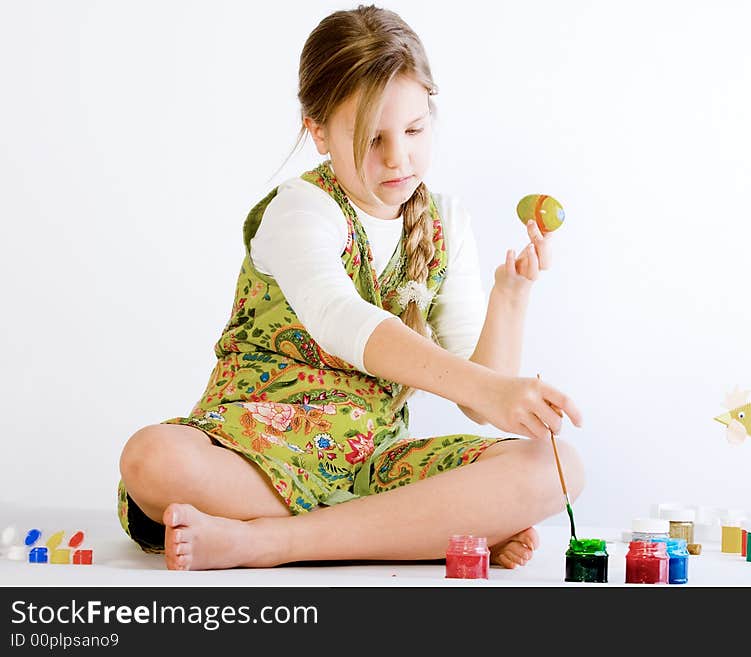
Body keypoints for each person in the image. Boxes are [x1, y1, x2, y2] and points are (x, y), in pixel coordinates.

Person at [117, 3, 584, 572]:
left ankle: (265, 542)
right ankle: (414, 528)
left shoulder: (445, 222)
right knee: (153, 459)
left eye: (413, 130)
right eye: (371, 138)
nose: (398, 157)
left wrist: (511, 296)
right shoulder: (300, 211)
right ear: (317, 131)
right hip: (255, 450)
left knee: (558, 467)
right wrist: (478, 469)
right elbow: (343, 320)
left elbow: (475, 395)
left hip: (373, 460)